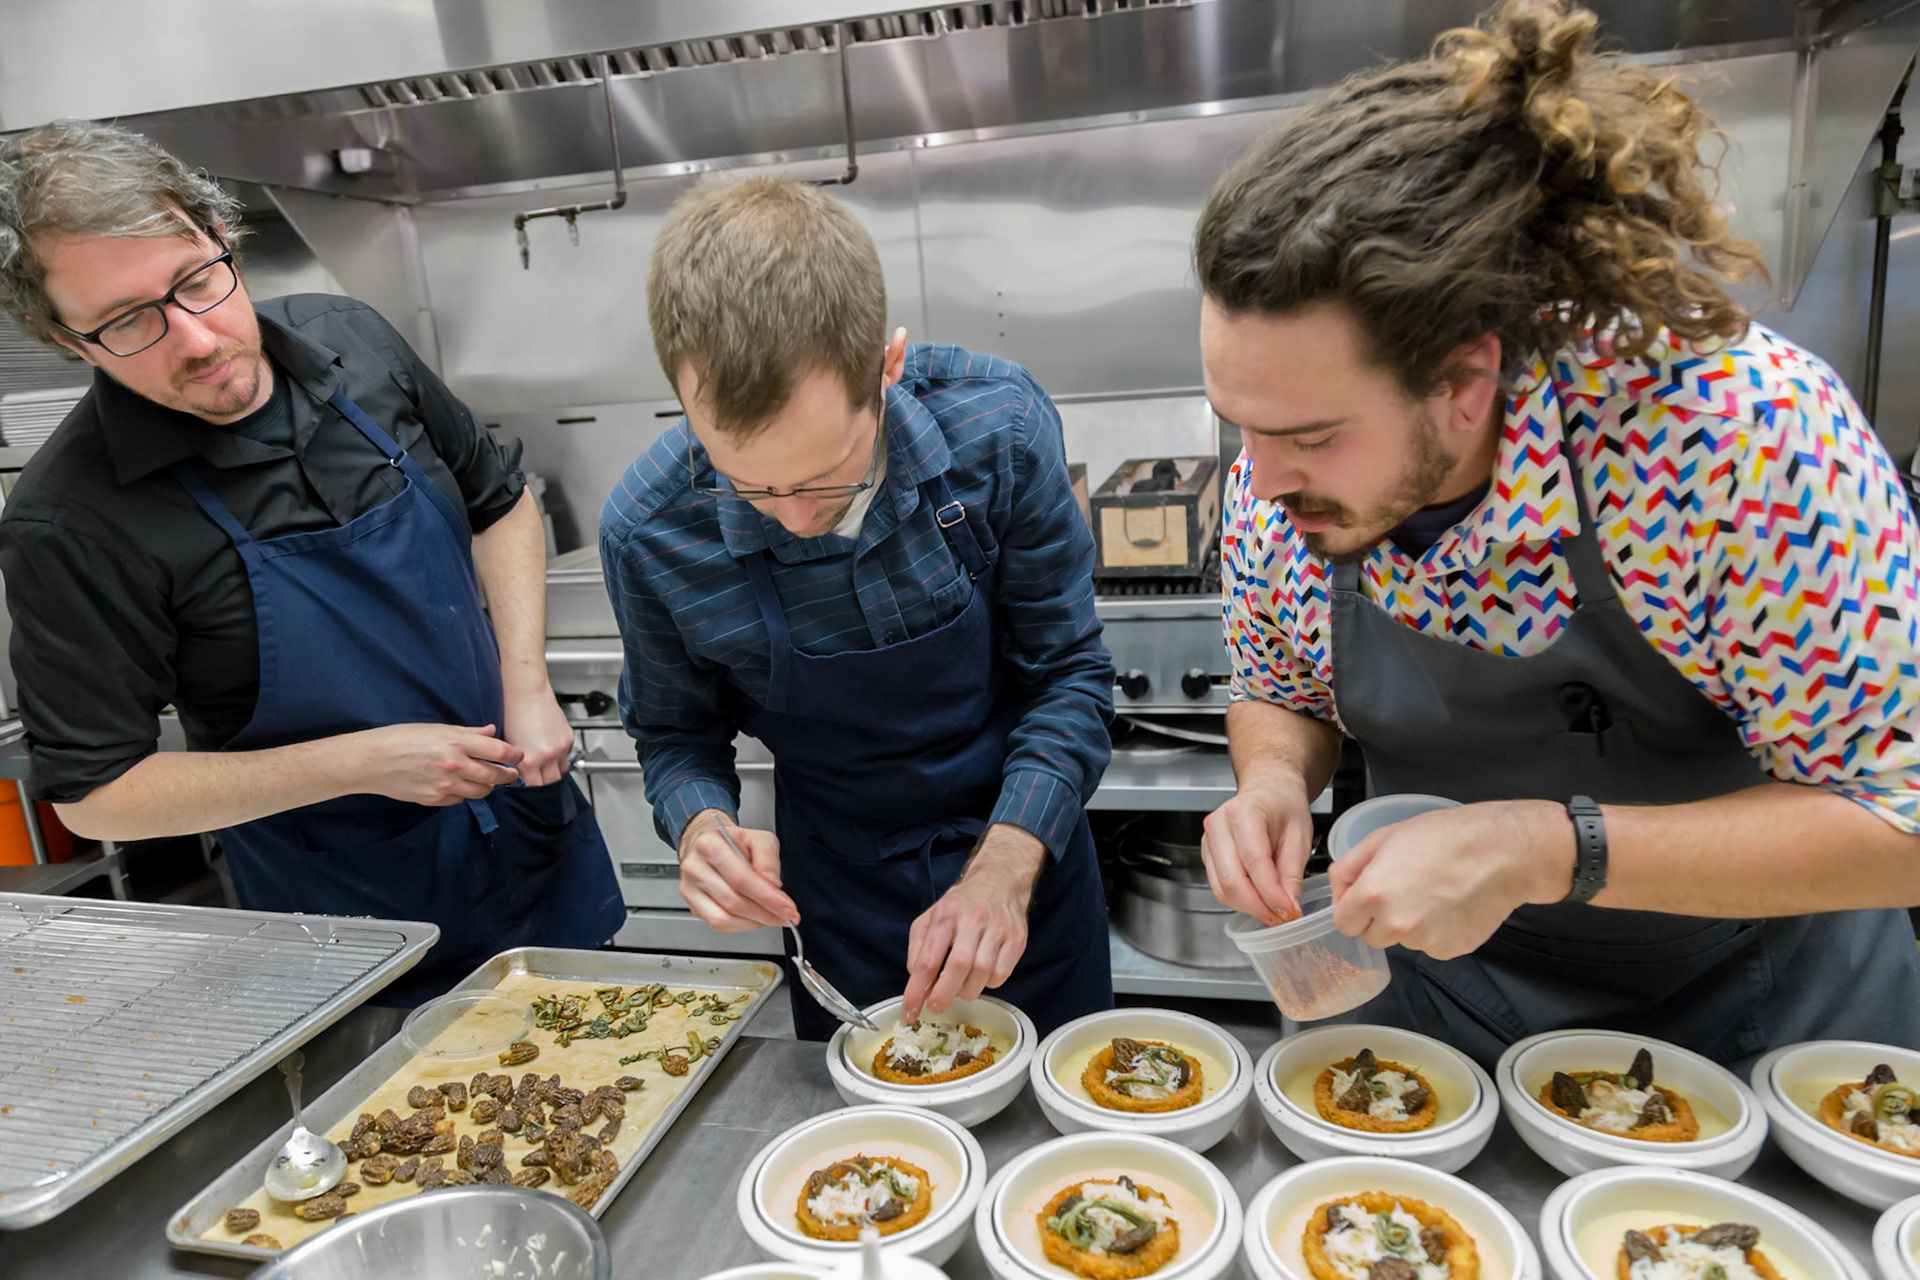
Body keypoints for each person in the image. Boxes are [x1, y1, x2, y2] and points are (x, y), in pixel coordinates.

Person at [1195, 0, 1920, 1066]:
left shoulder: (1734, 442)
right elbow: (1285, 691)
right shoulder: (1277, 490)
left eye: (1310, 435)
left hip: (1758, 1010)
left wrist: (1543, 846)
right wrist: (1269, 784)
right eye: (1239, 426)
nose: (1260, 481)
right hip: (1447, 1001)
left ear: (1465, 379)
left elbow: (1898, 819)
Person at [0, 121, 623, 997]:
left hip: (528, 835)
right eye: (129, 321)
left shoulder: (354, 340)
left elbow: (501, 503)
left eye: (196, 282)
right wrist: (361, 764)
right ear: (70, 342)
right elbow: (96, 793)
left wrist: (527, 687)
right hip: (346, 918)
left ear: (223, 236)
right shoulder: (69, 521)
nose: (197, 340)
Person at [601, 177, 1114, 1039]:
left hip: (1026, 871)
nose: (795, 517)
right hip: (838, 910)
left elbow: (1068, 676)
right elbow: (675, 733)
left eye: (824, 476)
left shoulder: (999, 432)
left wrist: (1005, 869)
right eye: (746, 483)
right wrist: (702, 829)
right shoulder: (650, 533)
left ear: (887, 365)